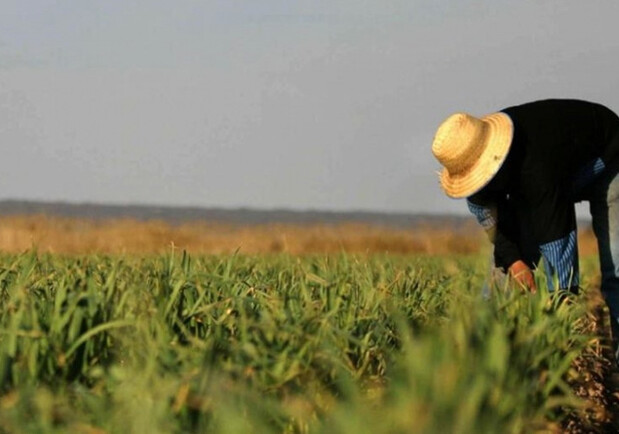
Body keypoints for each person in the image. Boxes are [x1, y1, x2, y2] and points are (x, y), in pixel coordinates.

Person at [431, 99, 619, 357]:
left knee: (615, 267)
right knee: (502, 276)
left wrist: (559, 326)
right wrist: (517, 264)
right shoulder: (476, 186)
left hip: (606, 157)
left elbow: (560, 251)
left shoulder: (537, 169)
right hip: (549, 175)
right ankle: (486, 358)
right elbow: (499, 233)